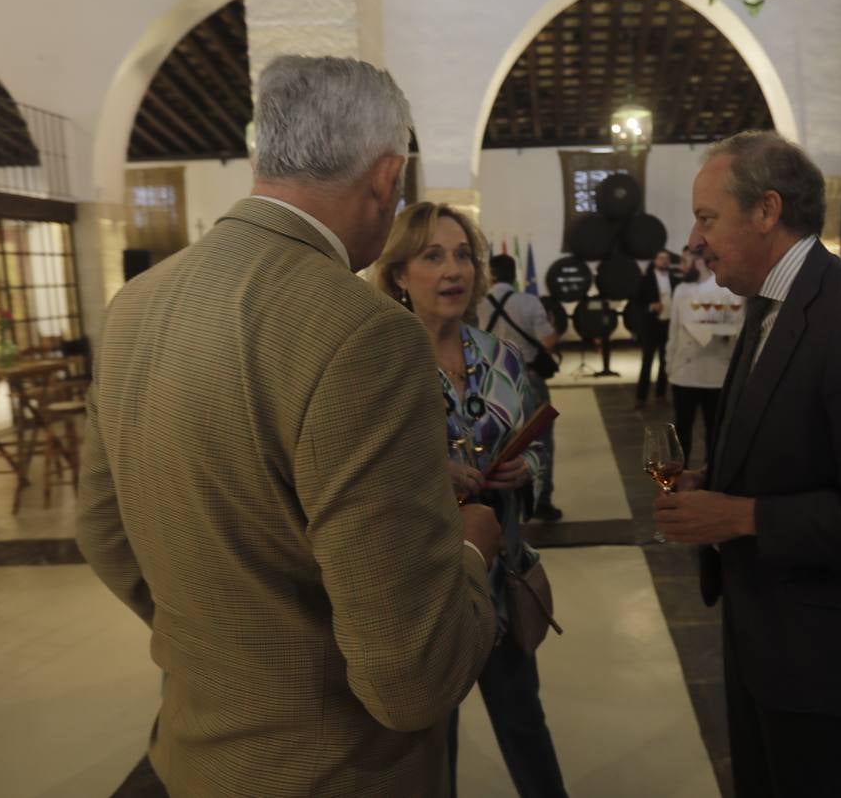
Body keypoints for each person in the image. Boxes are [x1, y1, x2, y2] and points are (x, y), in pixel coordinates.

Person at [77, 57, 501, 797]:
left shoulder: (136, 305)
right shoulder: (365, 332)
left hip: (190, 750)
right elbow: (409, 677)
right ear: (386, 178)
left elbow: (101, 528)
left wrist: (223, 636)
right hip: (330, 768)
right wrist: (469, 548)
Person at [652, 131, 841, 797]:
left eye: (706, 218)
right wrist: (717, 484)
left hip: (824, 653)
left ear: (766, 210)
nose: (694, 240)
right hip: (762, 631)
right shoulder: (766, 306)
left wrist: (743, 515)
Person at [376, 203, 568, 798]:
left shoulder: (500, 356)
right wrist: (434, 477)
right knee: (436, 746)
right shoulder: (378, 363)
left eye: (462, 255)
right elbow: (364, 477)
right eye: (433, 256)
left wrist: (524, 470)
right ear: (400, 274)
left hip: (502, 584)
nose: (453, 269)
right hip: (426, 596)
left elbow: (539, 442)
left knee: (525, 725)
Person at [484, 253, 563, 522]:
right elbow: (549, 341)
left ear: (491, 275)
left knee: (496, 443)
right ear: (514, 275)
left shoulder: (478, 303)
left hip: (490, 379)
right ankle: (541, 502)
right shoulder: (529, 301)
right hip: (528, 377)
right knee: (540, 442)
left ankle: (500, 507)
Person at [665, 245, 737, 467]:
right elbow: (674, 331)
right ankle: (679, 479)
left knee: (714, 432)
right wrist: (670, 367)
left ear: (699, 262)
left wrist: (711, 331)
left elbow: (737, 328)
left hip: (716, 373)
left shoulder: (727, 291)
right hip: (684, 373)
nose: (681, 267)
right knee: (681, 431)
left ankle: (711, 477)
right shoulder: (681, 291)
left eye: (685, 262)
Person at [634, 248, 680, 408]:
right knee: (647, 362)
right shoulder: (646, 279)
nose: (664, 261)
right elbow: (636, 303)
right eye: (661, 258)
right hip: (651, 325)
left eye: (666, 258)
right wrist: (650, 306)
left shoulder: (674, 279)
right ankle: (641, 397)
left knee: (664, 361)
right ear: (655, 261)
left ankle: (661, 395)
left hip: (668, 324)